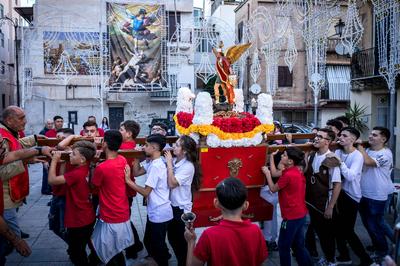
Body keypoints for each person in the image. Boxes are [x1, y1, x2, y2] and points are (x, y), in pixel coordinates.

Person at [184, 177, 268, 266]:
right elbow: (260, 261)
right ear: (246, 205)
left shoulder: (209, 235)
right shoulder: (256, 230)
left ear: (216, 203)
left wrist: (191, 242)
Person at [0, 106, 52, 245]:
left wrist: (34, 138)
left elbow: (16, 146)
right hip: (5, 199)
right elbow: (2, 172)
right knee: (11, 240)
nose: (25, 121)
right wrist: (26, 160)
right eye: (21, 118)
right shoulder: (2, 136)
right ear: (9, 120)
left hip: (11, 196)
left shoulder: (8, 132)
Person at [127, 134, 173, 266]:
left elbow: (146, 192)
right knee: (149, 240)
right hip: (156, 210)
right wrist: (135, 158)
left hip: (160, 212)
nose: (143, 147)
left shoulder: (157, 166)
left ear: (154, 148)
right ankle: (161, 257)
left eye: (146, 145)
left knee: (155, 243)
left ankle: (161, 261)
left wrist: (128, 182)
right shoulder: (153, 162)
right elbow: (137, 173)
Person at [48, 141, 96, 265]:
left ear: (82, 159)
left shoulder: (76, 174)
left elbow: (52, 180)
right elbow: (63, 179)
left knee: (77, 253)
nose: (70, 155)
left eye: (73, 154)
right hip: (86, 216)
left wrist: (54, 160)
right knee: (79, 249)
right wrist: (64, 162)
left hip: (78, 219)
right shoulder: (86, 167)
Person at [262, 147, 312, 266]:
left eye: (284, 156)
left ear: (290, 161)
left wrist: (267, 174)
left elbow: (273, 189)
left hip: (291, 216)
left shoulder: (288, 175)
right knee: (298, 245)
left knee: (283, 246)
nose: (282, 157)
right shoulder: (296, 171)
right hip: (301, 214)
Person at [90, 130, 133, 265]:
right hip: (122, 210)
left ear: (105, 144)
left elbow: (93, 187)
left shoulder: (102, 168)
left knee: (110, 251)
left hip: (110, 214)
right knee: (115, 248)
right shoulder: (122, 159)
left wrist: (92, 165)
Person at [332, 127, 374, 265]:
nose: (340, 138)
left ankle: (366, 260)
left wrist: (339, 161)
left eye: (344, 135)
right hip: (338, 194)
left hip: (351, 196)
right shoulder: (338, 151)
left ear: (353, 139)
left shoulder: (357, 156)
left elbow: (350, 176)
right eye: (340, 135)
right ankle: (344, 256)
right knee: (337, 228)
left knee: (348, 231)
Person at [304, 128, 341, 265]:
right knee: (315, 230)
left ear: (328, 141)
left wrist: (330, 207)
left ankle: (331, 260)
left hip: (324, 202)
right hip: (311, 200)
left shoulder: (331, 158)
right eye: (316, 136)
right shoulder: (312, 155)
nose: (316, 138)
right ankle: (320, 256)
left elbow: (337, 184)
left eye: (320, 136)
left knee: (326, 234)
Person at [358, 127, 393, 262]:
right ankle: (378, 245)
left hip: (377, 195)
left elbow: (368, 162)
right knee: (368, 224)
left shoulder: (386, 154)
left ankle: (383, 251)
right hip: (364, 194)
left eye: (375, 135)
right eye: (371, 134)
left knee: (376, 225)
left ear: (383, 139)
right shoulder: (367, 150)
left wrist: (360, 146)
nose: (371, 136)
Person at [164, 135, 201, 266]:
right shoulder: (176, 161)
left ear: (185, 150)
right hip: (172, 206)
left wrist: (168, 163)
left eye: (177, 145)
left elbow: (172, 183)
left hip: (181, 209)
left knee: (181, 244)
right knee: (173, 239)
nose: (174, 146)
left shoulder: (188, 166)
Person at [118, 120, 144, 259]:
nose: (119, 132)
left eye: (121, 130)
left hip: (124, 189)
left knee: (125, 220)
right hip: (125, 188)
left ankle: (133, 247)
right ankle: (136, 245)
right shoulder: (130, 145)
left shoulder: (125, 147)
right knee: (125, 219)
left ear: (129, 134)